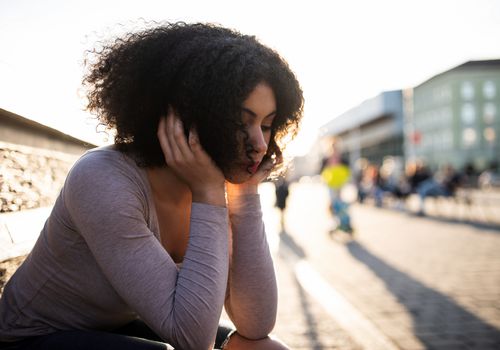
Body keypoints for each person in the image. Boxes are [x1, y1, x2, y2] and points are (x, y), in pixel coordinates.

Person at [0, 22, 303, 350]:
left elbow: (256, 325)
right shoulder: (104, 179)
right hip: (31, 336)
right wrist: (209, 194)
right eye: (241, 123)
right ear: (188, 115)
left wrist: (244, 196)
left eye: (268, 125)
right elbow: (192, 339)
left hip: (116, 326)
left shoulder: (214, 185)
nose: (259, 144)